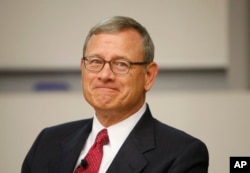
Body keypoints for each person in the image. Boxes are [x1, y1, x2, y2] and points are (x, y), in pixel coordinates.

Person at [21, 16, 209, 173]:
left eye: (121, 64)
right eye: (95, 61)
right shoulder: (48, 141)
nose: (104, 75)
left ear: (148, 76)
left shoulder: (182, 154)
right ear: (82, 69)